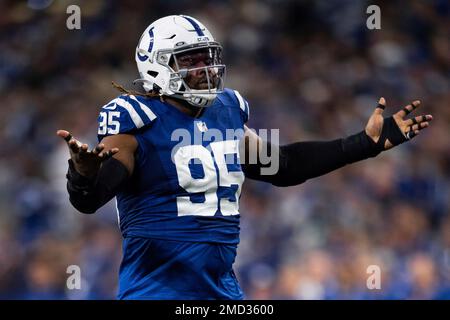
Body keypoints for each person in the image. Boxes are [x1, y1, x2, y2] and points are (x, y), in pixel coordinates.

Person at [56, 15, 433, 299]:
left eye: (206, 57)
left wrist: (362, 144)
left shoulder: (227, 109)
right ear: (157, 66)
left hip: (222, 289)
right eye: (190, 61)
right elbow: (90, 200)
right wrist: (83, 175)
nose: (204, 70)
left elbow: (282, 166)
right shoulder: (135, 118)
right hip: (157, 291)